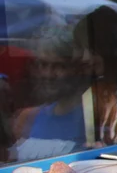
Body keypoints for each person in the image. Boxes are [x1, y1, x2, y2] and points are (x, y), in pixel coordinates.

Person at [9, 25, 92, 162]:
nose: (49, 74)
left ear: (75, 68)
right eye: (43, 65)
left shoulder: (91, 119)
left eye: (58, 66)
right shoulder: (28, 119)